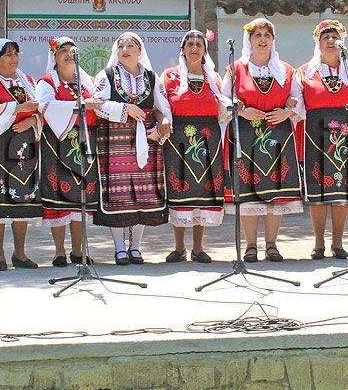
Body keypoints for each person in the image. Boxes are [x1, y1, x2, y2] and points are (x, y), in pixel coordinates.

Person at [221, 18, 304, 262]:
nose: (262, 40)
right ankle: (250, 246)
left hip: (278, 135)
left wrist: (287, 112)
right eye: (257, 35)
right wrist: (241, 110)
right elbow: (223, 100)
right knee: (248, 191)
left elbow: (299, 100)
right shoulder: (236, 69)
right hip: (246, 136)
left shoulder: (286, 70)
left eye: (267, 35)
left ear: (273, 40)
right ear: (249, 39)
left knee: (274, 191)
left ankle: (271, 245)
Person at [92, 33, 173, 265]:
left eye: (130, 46)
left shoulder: (152, 77)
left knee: (142, 193)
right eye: (121, 46)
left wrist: (163, 124)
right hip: (115, 140)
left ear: (140, 51)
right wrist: (125, 109)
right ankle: (119, 248)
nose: (125, 50)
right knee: (118, 194)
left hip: (146, 139)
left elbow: (163, 107)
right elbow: (97, 104)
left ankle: (135, 247)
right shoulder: (107, 75)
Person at [161, 29, 229, 263]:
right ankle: (179, 247)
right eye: (190, 44)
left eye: (199, 44)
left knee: (203, 190)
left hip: (209, 137)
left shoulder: (214, 78)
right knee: (180, 188)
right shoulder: (170, 76)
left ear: (205, 50)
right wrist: (164, 119)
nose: (194, 48)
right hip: (178, 138)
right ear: (182, 49)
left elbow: (223, 107)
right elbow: (161, 105)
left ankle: (198, 248)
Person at [298, 20, 348, 260]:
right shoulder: (305, 71)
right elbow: (297, 103)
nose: (331, 41)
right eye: (325, 37)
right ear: (318, 43)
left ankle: (338, 243)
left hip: (346, 131)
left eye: (335, 37)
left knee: (341, 192)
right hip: (315, 133)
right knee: (318, 191)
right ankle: (318, 243)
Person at [36, 36, 103, 266]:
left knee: (80, 197)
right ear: (54, 57)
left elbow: (100, 105)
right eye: (62, 50)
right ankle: (59, 251)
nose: (68, 54)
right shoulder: (47, 83)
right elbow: (45, 106)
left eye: (72, 50)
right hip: (58, 144)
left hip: (84, 143)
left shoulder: (88, 82)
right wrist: (81, 105)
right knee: (59, 196)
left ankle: (78, 250)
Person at [0, 39, 42, 271]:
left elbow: (41, 109)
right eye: (7, 54)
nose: (13, 58)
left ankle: (20, 253)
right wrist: (18, 108)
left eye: (16, 53)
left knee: (22, 195)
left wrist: (32, 120)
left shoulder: (28, 82)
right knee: (0, 196)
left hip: (25, 146)